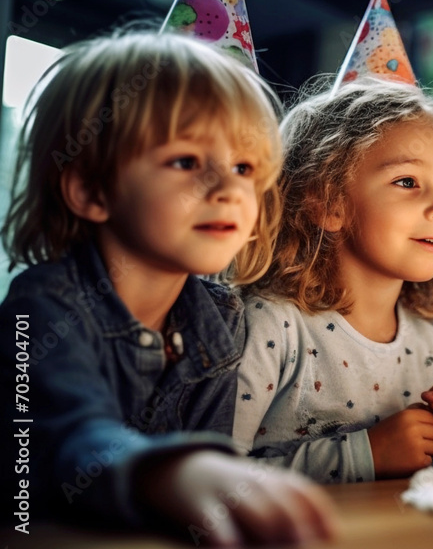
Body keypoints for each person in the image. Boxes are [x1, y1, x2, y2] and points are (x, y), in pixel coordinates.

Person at [0, 31, 338, 544]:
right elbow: (61, 441)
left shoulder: (221, 317)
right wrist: (171, 473)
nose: (229, 190)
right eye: (186, 162)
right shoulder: (42, 305)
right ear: (92, 191)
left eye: (244, 168)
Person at [232, 77, 433, 482]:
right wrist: (364, 454)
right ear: (328, 203)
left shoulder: (426, 345)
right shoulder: (272, 327)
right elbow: (219, 477)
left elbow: (412, 487)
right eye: (407, 182)